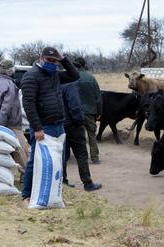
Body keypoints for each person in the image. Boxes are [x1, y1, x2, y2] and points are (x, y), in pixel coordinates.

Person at [20, 46, 80, 201]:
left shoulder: (55, 74)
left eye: (54, 61)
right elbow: (29, 104)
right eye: (49, 60)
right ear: (41, 58)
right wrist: (38, 128)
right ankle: (26, 194)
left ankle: (52, 191)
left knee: (57, 160)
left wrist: (64, 59)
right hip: (43, 127)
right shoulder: (31, 76)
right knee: (36, 160)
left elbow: (74, 75)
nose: (52, 63)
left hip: (58, 124)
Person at [0, 60, 30, 174]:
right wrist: (2, 126)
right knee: (20, 150)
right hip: (10, 125)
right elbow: (6, 108)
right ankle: (27, 175)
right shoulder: (10, 86)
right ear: (11, 70)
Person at [62, 82, 102, 191]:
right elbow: (74, 106)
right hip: (73, 125)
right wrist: (80, 121)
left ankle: (63, 181)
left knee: (63, 155)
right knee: (81, 154)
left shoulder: (55, 82)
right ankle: (87, 183)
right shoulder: (70, 85)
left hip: (61, 125)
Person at [73, 57, 102, 164]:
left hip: (75, 112)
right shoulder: (91, 78)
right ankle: (95, 158)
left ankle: (81, 158)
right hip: (90, 112)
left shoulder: (71, 77)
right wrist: (99, 112)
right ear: (84, 65)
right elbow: (98, 97)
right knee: (92, 135)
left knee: (78, 137)